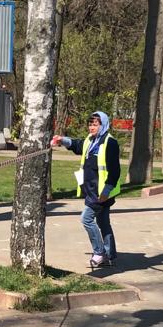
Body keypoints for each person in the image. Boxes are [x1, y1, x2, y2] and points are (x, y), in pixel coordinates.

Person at [51, 111, 121, 268]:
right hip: (91, 190)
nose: (91, 127)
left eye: (95, 124)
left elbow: (115, 171)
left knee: (86, 219)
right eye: (90, 124)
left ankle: (99, 252)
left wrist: (106, 191)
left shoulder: (110, 142)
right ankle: (110, 255)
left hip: (101, 193)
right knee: (103, 223)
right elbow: (77, 145)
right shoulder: (90, 140)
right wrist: (62, 140)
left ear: (103, 125)